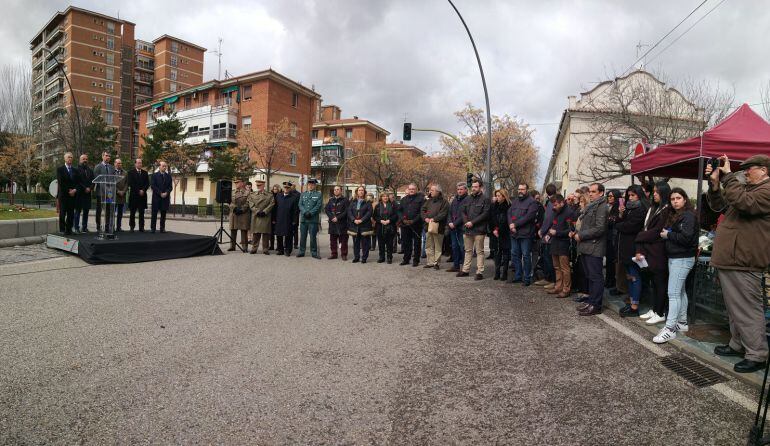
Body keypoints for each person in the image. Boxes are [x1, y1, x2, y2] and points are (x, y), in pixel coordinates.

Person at [706, 154, 770, 373]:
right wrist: (715, 185)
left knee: (747, 309)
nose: (745, 173)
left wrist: (729, 177)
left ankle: (757, 354)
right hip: (733, 258)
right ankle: (738, 343)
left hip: (744, 259)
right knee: (735, 308)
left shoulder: (766, 191)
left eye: (749, 169)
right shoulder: (748, 190)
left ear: (764, 170)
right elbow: (722, 207)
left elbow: (743, 203)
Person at [651, 187, 698, 344]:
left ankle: (670, 329)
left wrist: (668, 235)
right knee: (680, 291)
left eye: (678, 198)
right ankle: (682, 323)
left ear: (685, 199)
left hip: (682, 258)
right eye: (672, 199)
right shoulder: (679, 215)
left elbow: (686, 238)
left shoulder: (688, 216)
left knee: (673, 293)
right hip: (677, 257)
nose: (675, 201)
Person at [635, 182, 671, 326]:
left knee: (660, 283)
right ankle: (654, 308)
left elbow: (657, 231)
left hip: (659, 252)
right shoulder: (654, 208)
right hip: (650, 251)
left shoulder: (666, 210)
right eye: (654, 191)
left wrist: (639, 236)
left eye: (657, 192)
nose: (654, 194)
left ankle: (660, 312)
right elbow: (647, 228)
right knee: (653, 283)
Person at [572, 183, 608, 316]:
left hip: (594, 247)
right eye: (590, 192)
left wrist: (581, 235)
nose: (591, 194)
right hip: (587, 246)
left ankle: (596, 305)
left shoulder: (602, 206)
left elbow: (600, 228)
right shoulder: (592, 205)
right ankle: (591, 301)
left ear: (601, 193)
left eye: (594, 191)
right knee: (590, 276)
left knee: (595, 277)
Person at [615, 185, 648, 318]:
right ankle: (631, 301)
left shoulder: (641, 209)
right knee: (629, 276)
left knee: (634, 276)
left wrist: (619, 225)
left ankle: (635, 305)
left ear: (639, 195)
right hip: (625, 247)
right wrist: (621, 214)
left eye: (633, 195)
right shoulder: (628, 208)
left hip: (634, 248)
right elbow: (620, 222)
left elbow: (630, 227)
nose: (630, 197)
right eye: (629, 195)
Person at [458, 179, 490, 280]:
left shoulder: (485, 199)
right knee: (468, 250)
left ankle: (479, 272)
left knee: (480, 251)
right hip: (467, 229)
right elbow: (462, 211)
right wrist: (466, 221)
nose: (473, 188)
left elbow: (485, 214)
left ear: (481, 187)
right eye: (472, 187)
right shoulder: (468, 199)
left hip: (479, 230)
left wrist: (472, 222)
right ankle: (465, 270)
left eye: (476, 187)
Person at [507, 183, 539, 286]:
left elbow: (528, 217)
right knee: (515, 255)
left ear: (527, 190)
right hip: (514, 234)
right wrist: (511, 224)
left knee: (525, 256)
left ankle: (527, 278)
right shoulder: (515, 201)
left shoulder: (532, 202)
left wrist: (515, 225)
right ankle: (518, 276)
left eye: (523, 189)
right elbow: (509, 213)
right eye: (519, 189)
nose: (520, 191)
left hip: (525, 234)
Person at [546, 194, 576, 298]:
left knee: (564, 268)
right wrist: (549, 234)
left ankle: (566, 289)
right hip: (555, 243)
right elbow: (554, 225)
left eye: (555, 205)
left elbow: (571, 230)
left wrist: (556, 233)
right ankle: (558, 286)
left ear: (562, 203)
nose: (553, 207)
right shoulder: (556, 212)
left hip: (564, 243)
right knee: (556, 267)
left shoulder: (569, 213)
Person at [420, 184, 449, 269]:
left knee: (438, 246)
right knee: (428, 245)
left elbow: (443, 214)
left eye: (432, 190)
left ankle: (437, 263)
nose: (430, 192)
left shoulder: (444, 202)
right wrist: (425, 218)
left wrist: (434, 219)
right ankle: (430, 262)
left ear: (438, 191)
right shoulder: (428, 201)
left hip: (439, 227)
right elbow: (422, 210)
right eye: (430, 190)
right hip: (428, 226)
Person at [398, 183, 425, 267]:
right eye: (410, 189)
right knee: (406, 242)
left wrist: (413, 221)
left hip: (416, 224)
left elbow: (422, 212)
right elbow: (399, 211)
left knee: (417, 243)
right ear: (408, 190)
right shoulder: (403, 199)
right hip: (405, 224)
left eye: (413, 189)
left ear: (416, 190)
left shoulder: (421, 199)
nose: (411, 190)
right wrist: (403, 219)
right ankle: (406, 259)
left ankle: (416, 260)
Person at [537, 184, 558, 288]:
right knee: (548, 259)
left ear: (546, 192)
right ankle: (548, 278)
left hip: (549, 236)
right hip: (551, 235)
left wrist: (542, 230)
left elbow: (548, 219)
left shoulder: (551, 203)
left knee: (548, 259)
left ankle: (551, 280)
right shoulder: (554, 201)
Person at [56, 152, 81, 235]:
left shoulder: (75, 170)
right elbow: (61, 183)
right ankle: (62, 230)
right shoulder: (60, 169)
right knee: (63, 213)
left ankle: (69, 229)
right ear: (65, 158)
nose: (70, 159)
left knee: (71, 214)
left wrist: (75, 190)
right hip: (63, 195)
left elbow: (78, 183)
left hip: (73, 196)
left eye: (71, 157)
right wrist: (69, 191)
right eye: (68, 157)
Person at [247, 179, 274, 254]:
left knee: (265, 233)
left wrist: (265, 211)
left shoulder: (269, 195)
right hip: (256, 215)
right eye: (257, 185)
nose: (258, 186)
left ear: (264, 185)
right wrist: (257, 211)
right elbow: (251, 204)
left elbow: (272, 204)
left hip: (265, 215)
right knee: (256, 233)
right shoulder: (252, 194)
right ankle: (254, 248)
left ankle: (265, 249)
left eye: (260, 185)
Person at [298, 178, 323, 258]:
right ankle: (302, 251)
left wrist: (311, 213)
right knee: (303, 237)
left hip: (313, 219)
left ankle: (314, 252)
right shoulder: (303, 194)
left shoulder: (318, 194)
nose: (310, 186)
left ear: (315, 185)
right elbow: (300, 205)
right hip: (304, 219)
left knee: (313, 237)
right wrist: (305, 212)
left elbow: (318, 206)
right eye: (309, 184)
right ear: (307, 185)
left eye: (312, 184)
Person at [446, 182, 468, 273]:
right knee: (454, 247)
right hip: (453, 228)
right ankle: (456, 265)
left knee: (462, 247)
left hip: (461, 227)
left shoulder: (468, 199)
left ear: (466, 190)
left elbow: (465, 214)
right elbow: (449, 213)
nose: (459, 191)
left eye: (461, 189)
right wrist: (450, 222)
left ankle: (464, 266)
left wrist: (455, 223)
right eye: (458, 189)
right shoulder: (455, 200)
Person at [348, 185, 373, 263]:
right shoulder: (353, 201)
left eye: (362, 190)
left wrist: (361, 220)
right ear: (357, 192)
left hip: (364, 225)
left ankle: (364, 258)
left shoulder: (368, 202)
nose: (361, 192)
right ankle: (356, 257)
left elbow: (369, 212)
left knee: (365, 243)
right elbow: (349, 211)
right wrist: (353, 219)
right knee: (356, 243)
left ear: (364, 192)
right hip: (355, 225)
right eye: (359, 190)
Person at [491, 188, 511, 280]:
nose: (497, 197)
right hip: (495, 232)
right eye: (496, 196)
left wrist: (499, 229)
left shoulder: (508, 206)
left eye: (499, 196)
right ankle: (497, 272)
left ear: (504, 196)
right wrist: (494, 229)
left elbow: (506, 220)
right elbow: (492, 218)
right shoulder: (494, 206)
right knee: (497, 253)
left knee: (506, 253)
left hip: (505, 233)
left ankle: (505, 273)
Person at [274, 182, 299, 255]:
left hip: (289, 219)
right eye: (285, 187)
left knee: (289, 235)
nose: (286, 189)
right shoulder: (278, 196)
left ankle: (288, 250)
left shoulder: (294, 197)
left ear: (290, 188)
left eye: (288, 188)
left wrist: (295, 220)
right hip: (279, 218)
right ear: (283, 188)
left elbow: (296, 210)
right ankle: (280, 250)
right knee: (279, 235)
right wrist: (274, 219)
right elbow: (275, 208)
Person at [325, 185, 349, 260]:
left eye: (338, 189)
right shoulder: (331, 200)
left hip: (342, 223)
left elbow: (347, 211)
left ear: (341, 191)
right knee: (333, 240)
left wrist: (338, 218)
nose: (336, 191)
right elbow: (327, 209)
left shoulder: (345, 200)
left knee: (343, 240)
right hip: (332, 223)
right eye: (335, 190)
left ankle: (344, 254)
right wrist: (332, 217)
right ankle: (334, 254)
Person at [93, 151, 115, 232]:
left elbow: (113, 179)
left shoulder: (112, 168)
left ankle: (107, 226)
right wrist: (105, 187)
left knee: (108, 210)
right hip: (100, 193)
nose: (108, 157)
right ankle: (98, 226)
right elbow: (97, 179)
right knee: (99, 210)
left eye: (109, 156)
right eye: (106, 156)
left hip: (109, 193)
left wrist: (110, 189)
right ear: (102, 157)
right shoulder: (98, 167)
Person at [604, 189, 622, 291]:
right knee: (609, 261)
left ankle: (612, 282)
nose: (609, 198)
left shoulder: (618, 207)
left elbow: (612, 221)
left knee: (612, 261)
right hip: (608, 237)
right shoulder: (607, 207)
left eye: (611, 196)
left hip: (614, 238)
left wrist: (608, 220)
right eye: (608, 196)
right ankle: (608, 280)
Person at [227, 178, 250, 252]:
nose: (236, 184)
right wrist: (234, 208)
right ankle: (232, 246)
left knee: (244, 231)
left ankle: (244, 247)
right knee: (233, 230)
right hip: (234, 213)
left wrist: (242, 210)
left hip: (243, 213)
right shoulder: (232, 192)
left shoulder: (247, 192)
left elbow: (248, 202)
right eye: (235, 183)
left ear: (242, 183)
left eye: (238, 182)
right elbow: (229, 202)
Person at [127, 158, 149, 232]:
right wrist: (138, 190)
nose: (140, 164)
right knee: (132, 213)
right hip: (134, 196)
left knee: (141, 213)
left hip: (142, 196)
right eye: (138, 163)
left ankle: (141, 227)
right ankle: (132, 226)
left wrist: (143, 190)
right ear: (135, 164)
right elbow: (130, 183)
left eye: (141, 163)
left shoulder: (145, 173)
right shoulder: (131, 172)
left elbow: (147, 183)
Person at [374, 192, 397, 263]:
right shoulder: (377, 206)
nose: (385, 197)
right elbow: (375, 216)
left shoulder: (393, 205)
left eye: (386, 196)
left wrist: (389, 220)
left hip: (390, 226)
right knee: (381, 243)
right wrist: (380, 220)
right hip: (380, 227)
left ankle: (389, 257)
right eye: (383, 196)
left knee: (389, 243)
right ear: (381, 197)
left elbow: (395, 215)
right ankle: (382, 257)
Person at [150, 161, 172, 233]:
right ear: (159, 166)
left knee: (163, 214)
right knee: (154, 214)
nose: (164, 167)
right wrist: (160, 193)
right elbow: (153, 186)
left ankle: (162, 228)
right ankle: (153, 228)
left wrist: (166, 193)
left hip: (165, 198)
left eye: (165, 166)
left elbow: (170, 187)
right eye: (163, 166)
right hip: (156, 198)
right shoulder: (154, 175)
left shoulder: (168, 176)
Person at [74, 154, 94, 233]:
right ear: (80, 160)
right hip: (79, 193)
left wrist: (90, 188)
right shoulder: (76, 170)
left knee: (86, 211)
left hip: (87, 194)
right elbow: (77, 181)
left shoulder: (90, 170)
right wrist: (85, 188)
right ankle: (76, 227)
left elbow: (93, 181)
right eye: (83, 159)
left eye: (86, 159)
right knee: (78, 211)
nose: (85, 160)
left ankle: (84, 227)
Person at [113, 159, 127, 232]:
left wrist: (123, 191)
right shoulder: (112, 172)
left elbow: (127, 184)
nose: (119, 165)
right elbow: (111, 183)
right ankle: (112, 227)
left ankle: (119, 227)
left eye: (120, 163)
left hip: (122, 195)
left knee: (120, 213)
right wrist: (117, 191)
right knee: (112, 213)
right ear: (115, 164)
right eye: (118, 163)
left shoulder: (125, 172)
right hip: (114, 195)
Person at [269, 184, 280, 251]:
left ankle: (278, 246)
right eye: (274, 189)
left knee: (278, 233)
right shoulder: (271, 196)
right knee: (271, 233)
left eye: (276, 189)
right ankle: (272, 246)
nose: (275, 190)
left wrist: (275, 219)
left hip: (278, 216)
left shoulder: (280, 196)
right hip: (271, 216)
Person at [290, 183, 300, 250]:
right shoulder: (288, 193)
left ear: (294, 186)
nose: (291, 187)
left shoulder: (298, 194)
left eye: (292, 186)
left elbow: (299, 205)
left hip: (295, 214)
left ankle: (295, 244)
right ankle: (287, 243)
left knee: (295, 230)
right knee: (288, 230)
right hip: (288, 215)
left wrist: (297, 214)